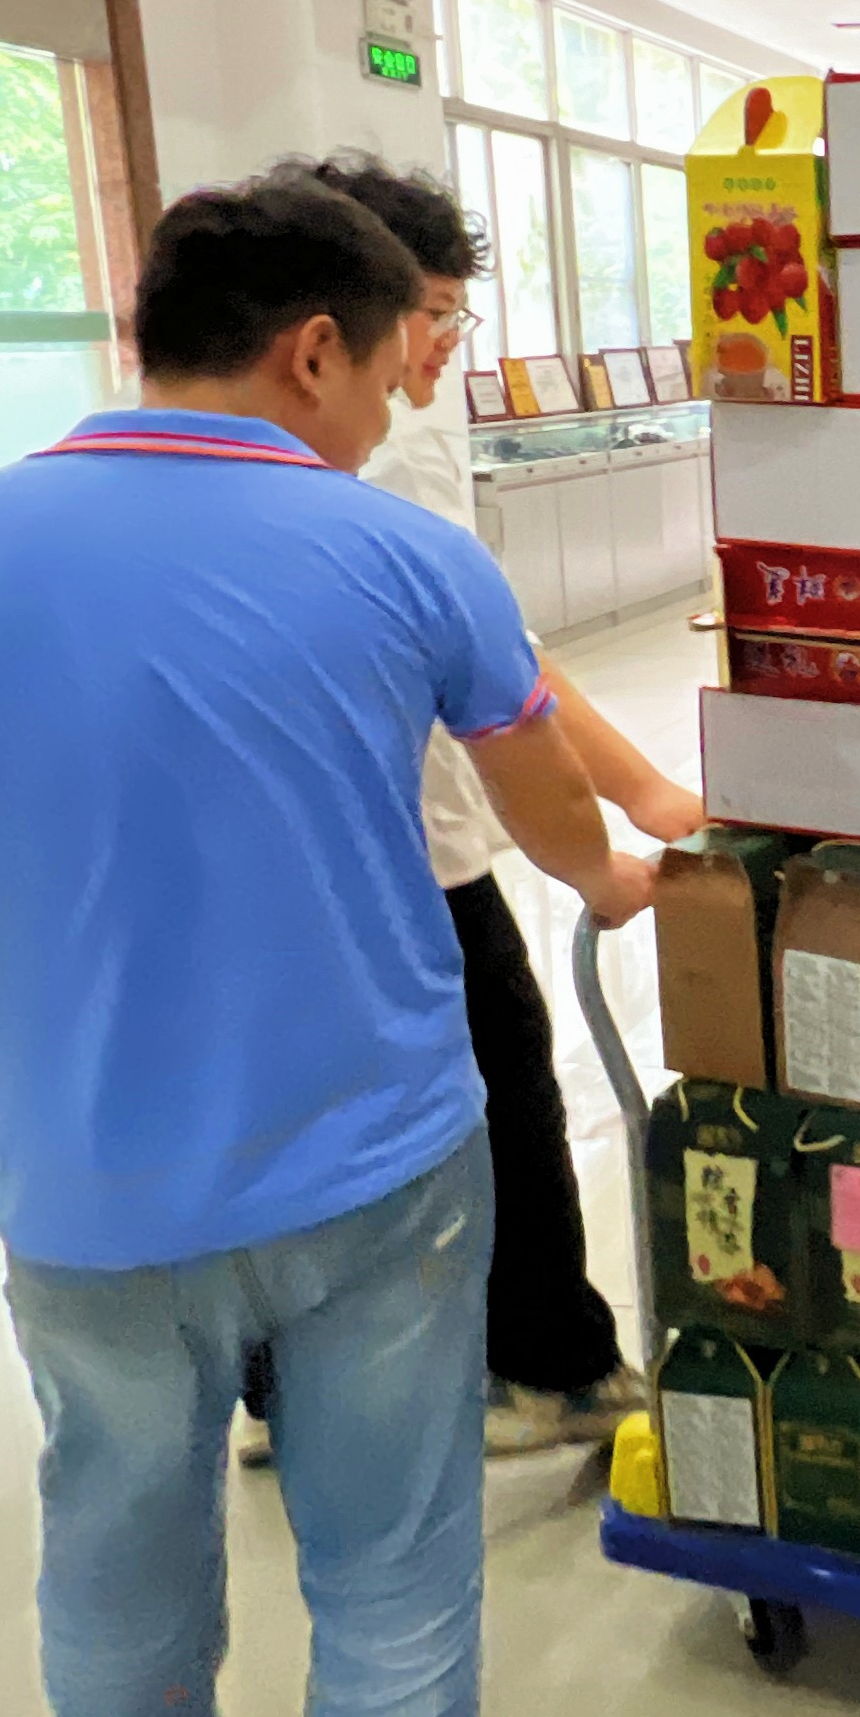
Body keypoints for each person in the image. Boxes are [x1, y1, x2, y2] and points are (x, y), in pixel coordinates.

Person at [0, 176, 657, 1717]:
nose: (393, 403)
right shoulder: (401, 551)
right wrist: (617, 878)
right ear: (312, 347)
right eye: (392, 360)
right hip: (375, 1159)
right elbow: (543, 804)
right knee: (391, 1552)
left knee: (115, 1511)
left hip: (81, 1172)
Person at [289, 152, 704, 1456]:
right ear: (339, 325)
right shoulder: (386, 452)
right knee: (504, 1093)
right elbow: (498, 674)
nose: (437, 355)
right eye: (434, 319)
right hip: (412, 855)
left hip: (276, 866)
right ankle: (549, 1368)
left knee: (302, 1114)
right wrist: (619, 831)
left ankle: (288, 1387)